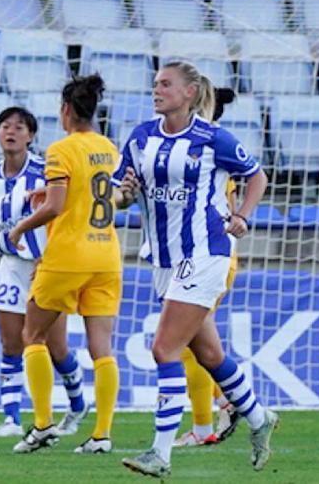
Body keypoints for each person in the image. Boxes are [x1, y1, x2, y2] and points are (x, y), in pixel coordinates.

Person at [114, 62, 276, 478]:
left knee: (164, 349)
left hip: (206, 252)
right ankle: (259, 419)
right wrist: (126, 195)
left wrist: (242, 214)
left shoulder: (211, 138)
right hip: (164, 259)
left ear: (189, 92)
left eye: (165, 84)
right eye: (155, 85)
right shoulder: (141, 137)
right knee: (208, 353)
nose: (157, 90)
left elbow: (256, 176)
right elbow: (120, 196)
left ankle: (160, 453)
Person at [8, 74, 123, 455]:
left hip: (68, 256)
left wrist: (21, 227)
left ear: (66, 110)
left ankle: (42, 425)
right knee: (101, 349)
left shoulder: (60, 150)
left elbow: (56, 207)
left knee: (33, 336)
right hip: (106, 256)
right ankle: (102, 434)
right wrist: (52, 192)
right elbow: (97, 194)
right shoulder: (108, 147)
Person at [0, 107, 91, 439]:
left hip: (47, 265)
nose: (11, 131)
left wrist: (56, 259)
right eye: (5, 126)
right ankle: (11, 419)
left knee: (55, 348)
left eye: (20, 127)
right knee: (11, 343)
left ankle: (77, 402)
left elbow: (64, 214)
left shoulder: (46, 172)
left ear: (31, 135)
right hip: (10, 266)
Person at [172, 87, 243, 447]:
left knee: (185, 343)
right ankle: (225, 400)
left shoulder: (204, 153)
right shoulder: (208, 150)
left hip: (211, 256)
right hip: (212, 256)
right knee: (196, 342)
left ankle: (204, 427)